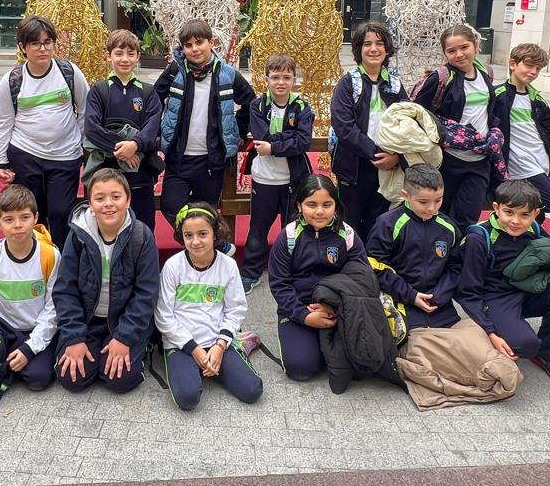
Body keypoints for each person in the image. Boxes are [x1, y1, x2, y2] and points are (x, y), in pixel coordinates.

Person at [453, 178, 550, 386]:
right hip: (495, 297)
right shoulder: (479, 238)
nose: (516, 221)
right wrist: (490, 331)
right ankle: (494, 331)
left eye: (525, 215)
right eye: (509, 212)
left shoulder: (534, 229)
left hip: (527, 289)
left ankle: (549, 353)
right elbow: (468, 293)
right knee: (525, 345)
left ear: (536, 214)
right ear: (496, 208)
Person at [52, 169, 159, 393]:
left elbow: (146, 293)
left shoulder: (141, 236)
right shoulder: (78, 235)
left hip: (123, 320)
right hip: (88, 320)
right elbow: (65, 290)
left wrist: (124, 338)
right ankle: (92, 351)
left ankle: (139, 349)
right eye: (100, 198)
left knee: (121, 380)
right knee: (72, 379)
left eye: (116, 197)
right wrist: (74, 337)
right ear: (91, 204)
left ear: (128, 200)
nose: (108, 204)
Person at [0, 15, 89, 247]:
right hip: (26, 154)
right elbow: (3, 123)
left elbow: (86, 110)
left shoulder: (69, 72)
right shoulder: (12, 80)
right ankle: (35, 259)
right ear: (22, 47)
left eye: (48, 42)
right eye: (35, 43)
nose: (43, 49)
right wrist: (1, 161)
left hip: (65, 155)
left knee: (61, 213)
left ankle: (62, 262)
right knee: (32, 213)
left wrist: (83, 146)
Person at [156, 203, 262, 410]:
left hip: (216, 340)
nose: (195, 241)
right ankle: (198, 365)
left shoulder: (228, 265)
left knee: (253, 391)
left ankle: (237, 344)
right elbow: (163, 316)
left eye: (203, 234)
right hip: (182, 344)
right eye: (188, 235)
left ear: (215, 233)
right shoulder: (172, 266)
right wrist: (194, 349)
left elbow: (235, 309)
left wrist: (220, 346)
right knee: (187, 398)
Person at [153, 19, 255, 230]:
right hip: (179, 157)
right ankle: (198, 238)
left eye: (199, 42)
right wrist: (158, 132)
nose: (195, 49)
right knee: (171, 206)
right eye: (188, 45)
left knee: (207, 213)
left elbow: (251, 103)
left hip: (211, 160)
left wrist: (239, 130)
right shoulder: (175, 71)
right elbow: (153, 101)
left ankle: (206, 246)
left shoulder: (227, 74)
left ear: (211, 42)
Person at [267, 172, 367, 382]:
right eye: (311, 205)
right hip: (299, 308)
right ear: (299, 206)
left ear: (336, 206)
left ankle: (325, 348)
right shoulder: (288, 237)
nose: (320, 211)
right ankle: (315, 347)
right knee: (300, 368)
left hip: (339, 309)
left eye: (327, 204)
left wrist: (335, 307)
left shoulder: (348, 236)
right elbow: (280, 285)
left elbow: (361, 279)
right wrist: (304, 315)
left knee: (360, 367)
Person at [239, 54, 314, 291]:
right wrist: (287, 139)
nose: (281, 82)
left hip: (293, 180)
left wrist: (274, 147)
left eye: (286, 77)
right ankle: (251, 273)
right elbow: (261, 136)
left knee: (292, 229)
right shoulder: (258, 106)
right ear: (267, 79)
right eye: (275, 77)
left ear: (294, 80)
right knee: (258, 229)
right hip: (264, 179)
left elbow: (303, 142)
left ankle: (290, 272)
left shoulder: (302, 107)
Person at [411, 22, 495, 231]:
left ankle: (461, 250)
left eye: (464, 47)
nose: (459, 54)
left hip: (480, 159)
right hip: (448, 159)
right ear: (445, 53)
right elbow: (416, 112)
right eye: (452, 51)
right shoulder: (440, 78)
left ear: (476, 45)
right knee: (441, 214)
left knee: (468, 217)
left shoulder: (486, 73)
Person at [329, 21, 408, 237]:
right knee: (349, 222)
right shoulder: (347, 83)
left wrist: (396, 157)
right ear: (358, 49)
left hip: (387, 168)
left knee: (378, 223)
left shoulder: (395, 84)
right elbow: (344, 127)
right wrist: (376, 153)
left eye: (379, 43)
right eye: (367, 44)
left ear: (387, 49)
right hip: (353, 167)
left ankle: (373, 257)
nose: (374, 49)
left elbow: (408, 124)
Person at [82, 29, 163, 233]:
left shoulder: (148, 92)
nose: (125, 59)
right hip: (107, 170)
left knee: (143, 226)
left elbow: (152, 127)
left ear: (138, 57)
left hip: (140, 171)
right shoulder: (99, 91)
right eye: (119, 53)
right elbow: (92, 128)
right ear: (108, 56)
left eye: (130, 53)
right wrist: (122, 150)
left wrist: (135, 145)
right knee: (107, 226)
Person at [366, 164, 463, 329]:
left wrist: (440, 294)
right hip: (400, 301)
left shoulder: (448, 226)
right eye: (423, 202)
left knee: (460, 341)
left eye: (438, 200)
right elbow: (376, 266)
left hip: (439, 304)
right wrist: (411, 295)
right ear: (405, 195)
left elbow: (456, 266)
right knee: (414, 341)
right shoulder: (387, 224)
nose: (431, 208)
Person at [489, 42, 550, 218]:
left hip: (540, 162)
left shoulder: (538, 100)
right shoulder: (497, 95)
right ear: (512, 64)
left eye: (538, 68)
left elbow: (549, 134)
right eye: (529, 65)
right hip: (520, 165)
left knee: (533, 214)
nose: (533, 72)